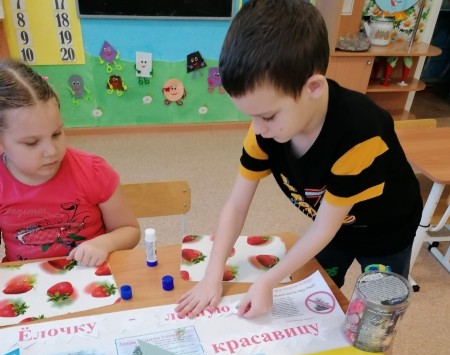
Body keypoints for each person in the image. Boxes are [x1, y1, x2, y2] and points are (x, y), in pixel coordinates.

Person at [176, 0, 422, 319]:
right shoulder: (265, 131)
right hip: (331, 226)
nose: (258, 129)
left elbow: (325, 226)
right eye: (251, 116)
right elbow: (236, 205)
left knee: (378, 317)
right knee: (317, 300)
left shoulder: (360, 135)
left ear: (313, 88)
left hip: (387, 232)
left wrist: (267, 281)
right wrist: (212, 275)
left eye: (267, 116)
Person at [0, 59, 140, 266]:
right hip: (26, 281)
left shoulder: (94, 171)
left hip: (91, 276)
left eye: (56, 133)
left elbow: (130, 230)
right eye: (32, 143)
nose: (51, 151)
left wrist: (105, 243)